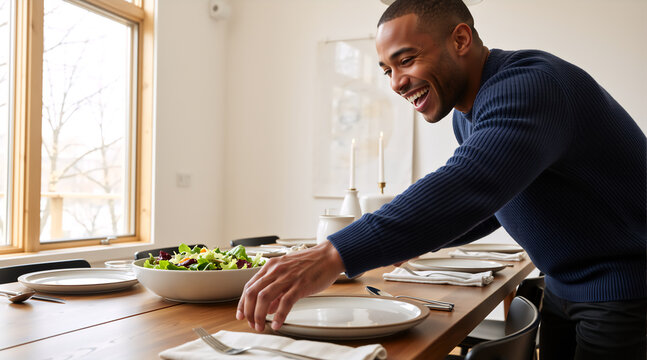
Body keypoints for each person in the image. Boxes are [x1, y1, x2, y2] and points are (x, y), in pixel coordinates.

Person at [236, 0, 646, 358]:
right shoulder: (472, 112)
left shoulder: (530, 86)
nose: (396, 83)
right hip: (568, 287)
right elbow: (496, 199)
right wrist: (405, 239)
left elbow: (470, 184)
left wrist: (333, 255)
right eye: (386, 70)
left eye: (407, 59)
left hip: (627, 291)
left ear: (461, 40)